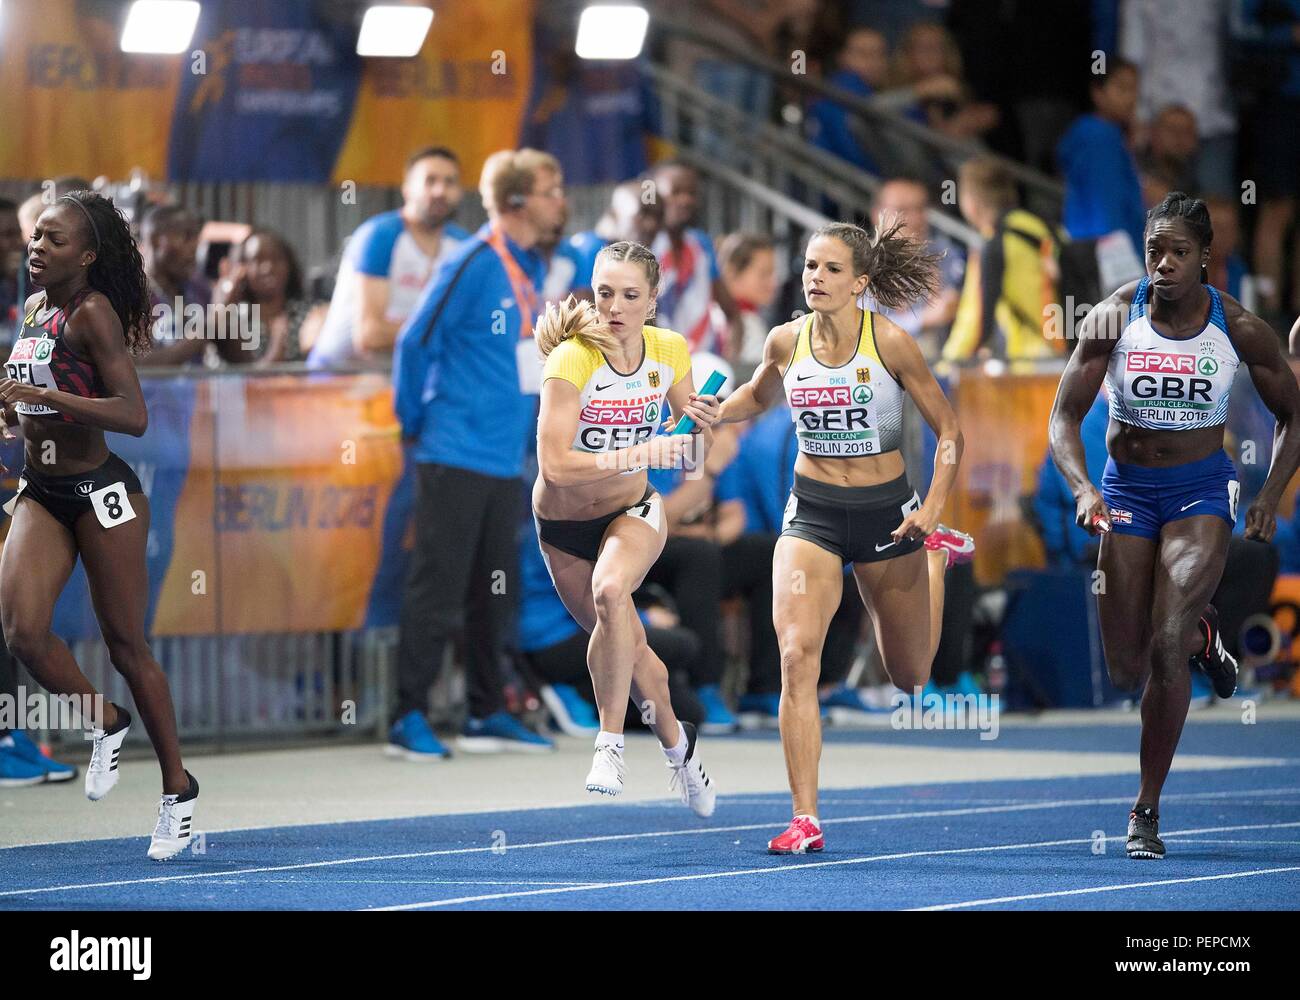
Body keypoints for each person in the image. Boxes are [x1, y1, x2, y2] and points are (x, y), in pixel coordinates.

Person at [1047, 192, 1300, 859]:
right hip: (1126, 490)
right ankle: (1205, 632)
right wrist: (1079, 488)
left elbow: (1293, 415)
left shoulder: (1238, 328)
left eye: (1178, 252)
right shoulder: (1114, 316)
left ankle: (1146, 809)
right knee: (1129, 663)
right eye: (1155, 248)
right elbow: (1063, 416)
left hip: (1199, 493)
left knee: (1164, 648)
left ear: (1205, 259)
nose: (1163, 263)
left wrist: (1271, 493)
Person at [714, 221, 975, 853]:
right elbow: (754, 395)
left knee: (911, 677)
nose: (815, 279)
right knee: (797, 655)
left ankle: (934, 564)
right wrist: (707, 409)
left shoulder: (890, 342)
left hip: (891, 518)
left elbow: (949, 432)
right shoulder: (785, 341)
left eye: (831, 270)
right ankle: (805, 816)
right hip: (815, 515)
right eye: (809, 267)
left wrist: (934, 509)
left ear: (860, 282)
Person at [0, 191, 197, 859]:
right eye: (36, 237)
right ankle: (103, 719)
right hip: (43, 487)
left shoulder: (93, 313)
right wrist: (12, 415)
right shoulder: (32, 308)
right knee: (22, 630)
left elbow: (132, 413)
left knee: (125, 645)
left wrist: (46, 397)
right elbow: (26, 401)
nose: (37, 247)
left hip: (101, 491)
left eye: (53, 241)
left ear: (85, 257)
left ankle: (178, 789)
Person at [531, 241, 720, 813]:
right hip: (562, 526)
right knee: (633, 649)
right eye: (604, 293)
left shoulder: (669, 350)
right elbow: (554, 466)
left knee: (612, 590)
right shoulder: (573, 358)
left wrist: (701, 430)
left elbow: (689, 452)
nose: (614, 307)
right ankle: (678, 748)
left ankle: (608, 742)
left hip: (633, 510)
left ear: (653, 302)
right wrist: (642, 448)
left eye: (629, 296)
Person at [389, 149, 564, 759]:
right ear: (516, 201)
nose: (559, 200)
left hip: (502, 462)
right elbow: (414, 339)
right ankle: (406, 715)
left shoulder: (529, 266)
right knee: (436, 588)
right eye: (551, 188)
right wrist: (412, 421)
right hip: (454, 450)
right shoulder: (473, 259)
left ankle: (487, 711)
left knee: (497, 592)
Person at [308, 147, 468, 370]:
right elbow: (370, 336)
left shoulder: (462, 245)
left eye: (450, 182)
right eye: (430, 181)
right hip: (336, 377)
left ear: (460, 192)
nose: (440, 190)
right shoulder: (379, 235)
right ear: (407, 189)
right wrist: (445, 333)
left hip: (397, 378)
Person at [944, 157, 1065, 363]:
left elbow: (974, 322)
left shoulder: (993, 244)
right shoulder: (1045, 229)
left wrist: (945, 366)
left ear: (971, 204)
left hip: (1033, 365)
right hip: (1071, 355)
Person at [1056, 57, 1146, 259]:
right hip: (1108, 256)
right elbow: (1105, 207)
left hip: (1102, 251)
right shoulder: (1098, 136)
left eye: (1134, 90)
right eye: (1122, 89)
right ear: (1098, 92)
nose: (1131, 98)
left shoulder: (1113, 137)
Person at [864, 178, 963, 357]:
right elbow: (864, 331)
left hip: (944, 366)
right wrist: (923, 319)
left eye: (920, 209)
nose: (914, 219)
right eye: (902, 210)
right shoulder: (861, 264)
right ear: (877, 214)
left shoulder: (946, 255)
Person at [650, 162, 739, 358]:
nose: (685, 200)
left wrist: (730, 360)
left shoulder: (701, 244)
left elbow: (732, 312)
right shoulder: (645, 246)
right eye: (676, 192)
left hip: (704, 362)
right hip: (660, 364)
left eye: (691, 193)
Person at [212, 228, 311, 365]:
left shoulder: (309, 315)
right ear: (242, 268)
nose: (268, 268)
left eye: (276, 259)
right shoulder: (234, 317)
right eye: (257, 260)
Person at [136, 204, 213, 367]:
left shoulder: (198, 287)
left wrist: (228, 305)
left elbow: (238, 359)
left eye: (196, 238)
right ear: (156, 240)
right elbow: (139, 366)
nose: (194, 247)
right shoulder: (130, 293)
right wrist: (212, 323)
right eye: (186, 237)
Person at [1137, 105, 1199, 209]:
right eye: (1172, 130)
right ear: (1154, 134)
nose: (1179, 137)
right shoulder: (1136, 170)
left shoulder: (1199, 181)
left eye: (1186, 131)